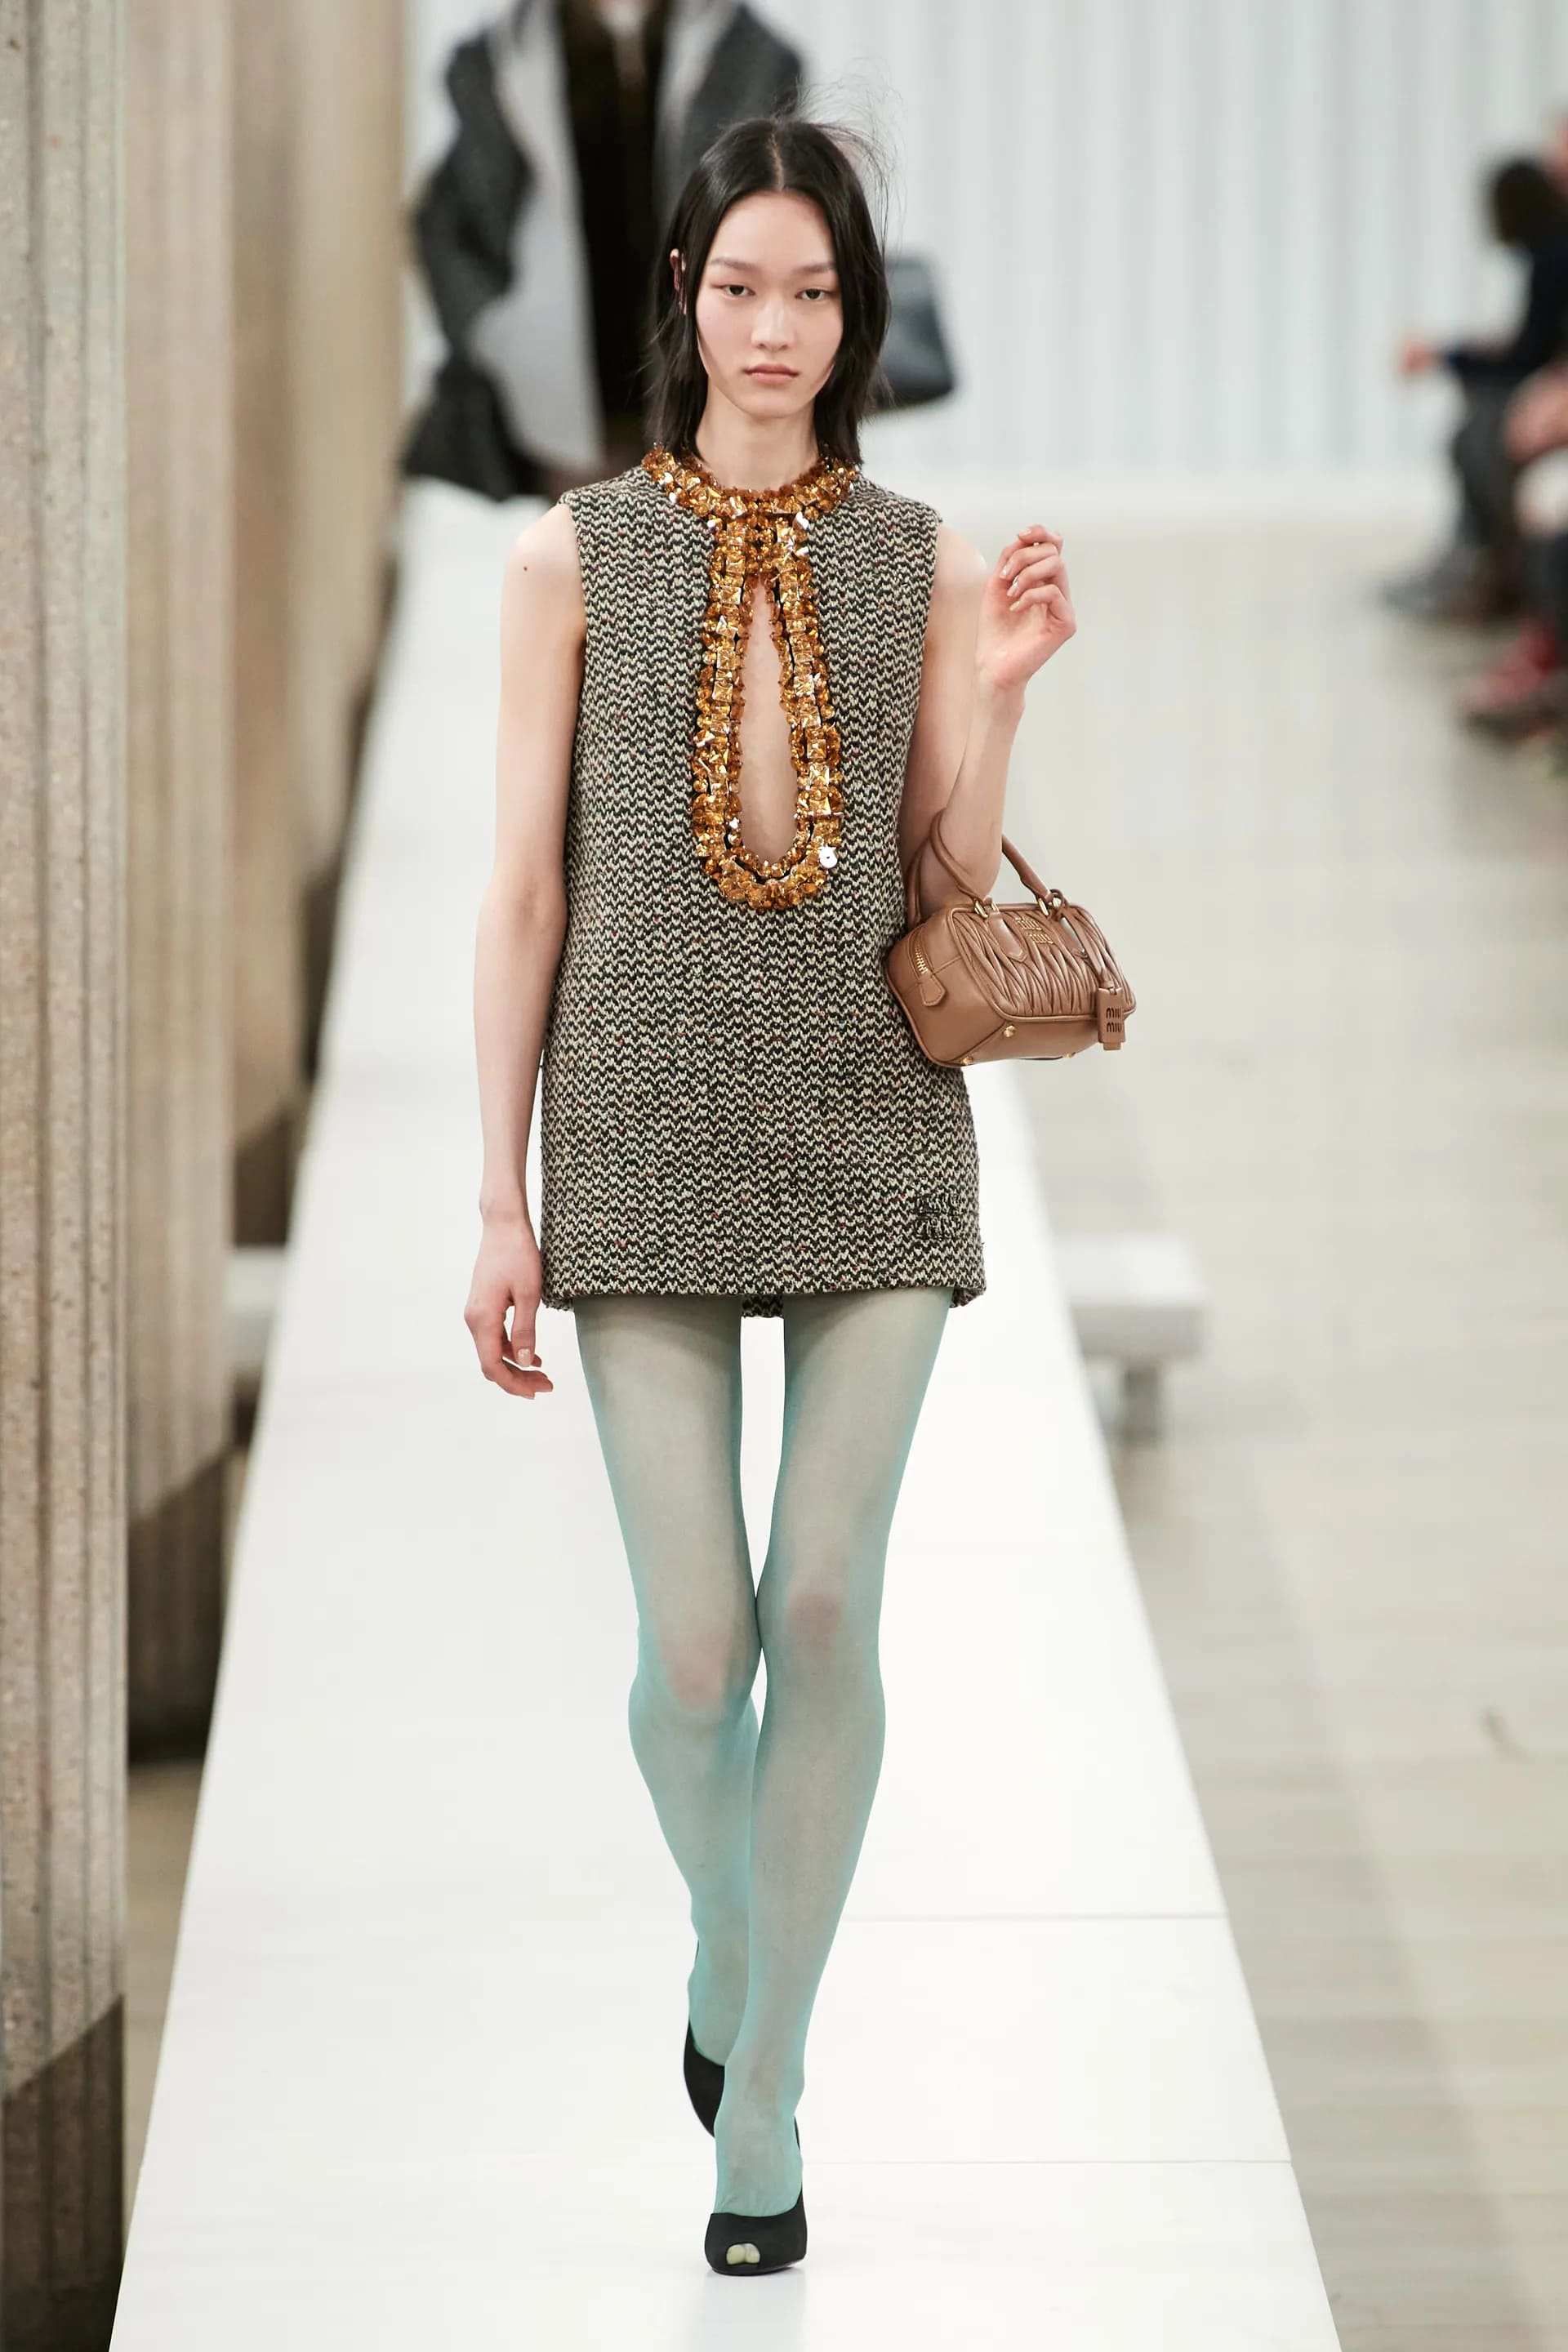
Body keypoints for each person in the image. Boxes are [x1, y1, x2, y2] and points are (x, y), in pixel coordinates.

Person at [464, 109, 1075, 2276]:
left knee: (821, 1611)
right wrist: (498, 1199)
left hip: (871, 1122)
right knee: (691, 1649)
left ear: (855, 315)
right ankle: (733, 1942)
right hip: (634, 1124)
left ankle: (768, 2098)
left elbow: (939, 875)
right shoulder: (570, 557)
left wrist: (996, 703)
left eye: (815, 292)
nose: (777, 328)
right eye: (743, 285)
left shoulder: (917, 555)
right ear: (685, 297)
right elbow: (522, 889)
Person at [1386, 150, 1568, 621]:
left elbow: (1528, 354)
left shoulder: (1552, 255)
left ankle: (1497, 576)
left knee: (1485, 434)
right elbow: (1534, 344)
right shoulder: (1548, 252)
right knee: (1478, 429)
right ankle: (1482, 564)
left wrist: (1448, 357)